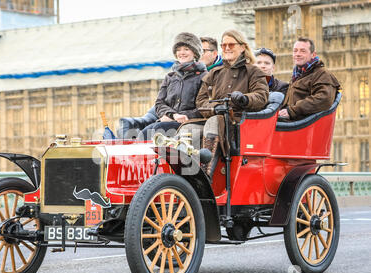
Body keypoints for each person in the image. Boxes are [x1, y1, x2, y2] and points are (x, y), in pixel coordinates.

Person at [196, 29, 269, 177]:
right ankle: (181, 176)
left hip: (239, 125)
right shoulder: (215, 73)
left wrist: (244, 98)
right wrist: (215, 108)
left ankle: (204, 177)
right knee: (188, 129)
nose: (227, 48)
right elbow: (201, 101)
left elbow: (261, 96)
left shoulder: (253, 72)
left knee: (214, 122)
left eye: (231, 44)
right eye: (223, 45)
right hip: (215, 119)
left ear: (242, 47)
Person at [140, 32, 207, 140]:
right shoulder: (170, 77)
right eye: (179, 50)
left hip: (190, 122)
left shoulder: (204, 76)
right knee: (143, 134)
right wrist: (172, 115)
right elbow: (159, 103)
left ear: (195, 52)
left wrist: (181, 116)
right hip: (169, 120)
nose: (182, 53)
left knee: (157, 130)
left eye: (186, 49)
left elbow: (204, 105)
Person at [278, 37, 341, 121]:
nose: (298, 54)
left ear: (313, 55)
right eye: (295, 51)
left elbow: (324, 99)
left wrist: (292, 111)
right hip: (290, 124)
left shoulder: (321, 74)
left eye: (302, 51)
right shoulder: (298, 75)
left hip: (305, 128)